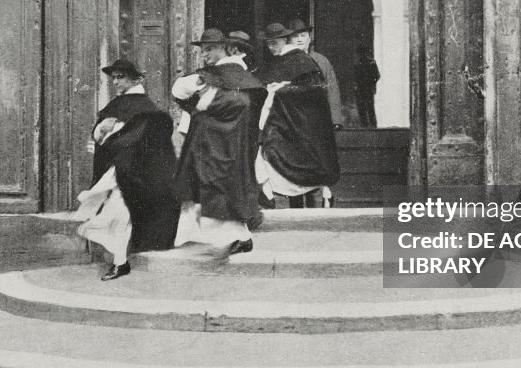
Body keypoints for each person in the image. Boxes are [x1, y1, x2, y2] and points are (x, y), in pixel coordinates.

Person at [73, 59, 180, 281]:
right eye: (114, 77)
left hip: (134, 171)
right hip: (119, 170)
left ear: (135, 79)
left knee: (118, 214)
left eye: (120, 77)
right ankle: (120, 262)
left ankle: (120, 263)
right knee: (116, 215)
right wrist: (102, 130)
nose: (115, 82)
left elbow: (133, 141)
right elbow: (101, 135)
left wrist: (106, 135)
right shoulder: (120, 105)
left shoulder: (144, 108)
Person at [173, 29, 266, 254]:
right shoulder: (214, 76)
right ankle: (235, 237)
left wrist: (207, 102)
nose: (205, 55)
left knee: (220, 185)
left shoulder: (226, 75)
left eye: (211, 49)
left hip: (225, 141)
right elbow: (181, 92)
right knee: (215, 186)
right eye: (203, 50)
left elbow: (240, 105)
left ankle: (241, 236)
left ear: (226, 49)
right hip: (212, 142)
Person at [255, 22, 340, 208]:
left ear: (283, 40)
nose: (270, 48)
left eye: (273, 43)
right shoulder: (277, 61)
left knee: (299, 161)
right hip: (285, 121)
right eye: (268, 44)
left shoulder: (301, 60)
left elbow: (314, 89)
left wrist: (283, 90)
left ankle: (320, 199)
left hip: (303, 123)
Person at [286, 19, 343, 128]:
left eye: (303, 36)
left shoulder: (322, 61)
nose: (299, 40)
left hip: (317, 119)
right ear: (289, 40)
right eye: (295, 36)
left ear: (309, 39)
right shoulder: (285, 62)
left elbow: (332, 90)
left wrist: (336, 120)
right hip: (293, 120)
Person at [353, 45, 380, 127]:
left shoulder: (371, 63)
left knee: (369, 107)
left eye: (362, 52)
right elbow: (355, 77)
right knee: (363, 107)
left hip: (367, 87)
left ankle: (372, 124)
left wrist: (372, 82)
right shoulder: (357, 64)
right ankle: (365, 125)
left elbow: (377, 75)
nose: (361, 54)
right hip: (361, 88)